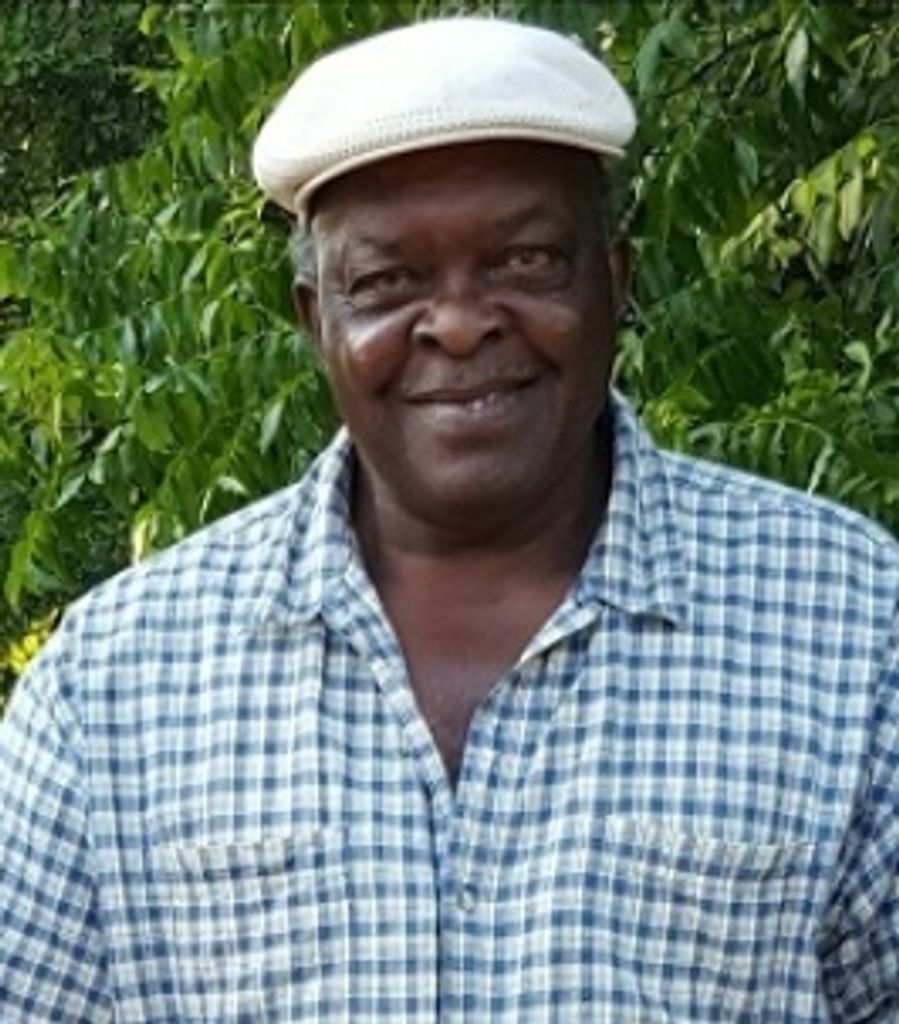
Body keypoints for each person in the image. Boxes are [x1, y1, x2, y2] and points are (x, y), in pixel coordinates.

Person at [1, 16, 897, 1023]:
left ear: (616, 280)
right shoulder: (113, 685)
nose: (461, 323)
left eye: (525, 261)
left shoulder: (853, 628)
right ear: (316, 320)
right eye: (387, 281)